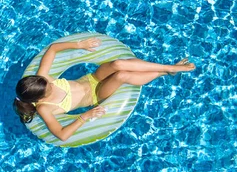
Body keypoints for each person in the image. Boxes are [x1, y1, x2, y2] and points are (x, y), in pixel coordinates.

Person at [13, 37, 195, 141]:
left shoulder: (43, 80)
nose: (51, 83)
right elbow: (62, 135)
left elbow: (52, 49)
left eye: (49, 82)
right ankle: (167, 70)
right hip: (96, 95)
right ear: (41, 97)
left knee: (118, 64)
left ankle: (169, 68)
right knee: (121, 76)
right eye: (49, 88)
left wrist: (80, 45)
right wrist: (85, 117)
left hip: (92, 78)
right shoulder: (45, 108)